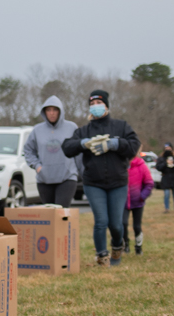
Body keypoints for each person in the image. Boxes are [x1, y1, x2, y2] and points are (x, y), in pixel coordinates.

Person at [62, 89, 140, 266]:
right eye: (92, 104)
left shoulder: (121, 126)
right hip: (93, 183)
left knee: (116, 224)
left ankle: (117, 247)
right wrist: (83, 143)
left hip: (118, 182)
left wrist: (115, 143)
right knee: (101, 221)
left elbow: (133, 146)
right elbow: (67, 147)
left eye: (99, 103)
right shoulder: (84, 130)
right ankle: (102, 256)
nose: (95, 107)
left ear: (106, 105)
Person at [23, 95, 82, 206]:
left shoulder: (71, 127)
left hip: (67, 177)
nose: (52, 113)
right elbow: (28, 150)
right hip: (44, 178)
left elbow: (78, 151)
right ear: (44, 112)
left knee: (60, 213)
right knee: (49, 215)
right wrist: (37, 166)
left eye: (55, 109)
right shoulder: (37, 130)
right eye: (48, 110)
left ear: (60, 111)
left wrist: (81, 171)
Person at [123, 146, 154, 255]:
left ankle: (138, 246)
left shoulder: (142, 166)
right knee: (123, 223)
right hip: (123, 202)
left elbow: (149, 183)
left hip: (138, 202)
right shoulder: (122, 165)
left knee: (137, 226)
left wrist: (142, 196)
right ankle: (125, 244)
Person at [156, 142, 174, 213]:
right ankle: (167, 209)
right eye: (166, 148)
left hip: (173, 177)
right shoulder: (161, 157)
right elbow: (158, 167)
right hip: (165, 177)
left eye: (169, 148)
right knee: (167, 194)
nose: (167, 149)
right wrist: (166, 163)